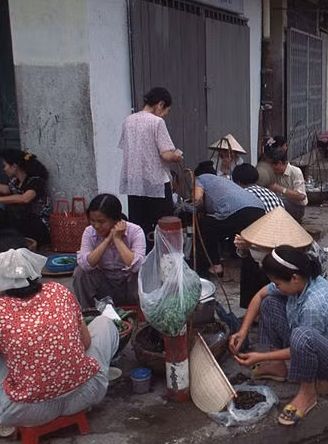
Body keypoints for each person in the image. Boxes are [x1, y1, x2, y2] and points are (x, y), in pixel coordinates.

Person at [0, 234, 118, 435]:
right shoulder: (59, 291)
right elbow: (86, 342)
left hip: (25, 412)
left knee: (1, 349)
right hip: (85, 395)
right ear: (29, 262)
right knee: (104, 322)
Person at [228, 245, 328, 426]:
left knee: (302, 335)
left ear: (294, 278)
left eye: (278, 283)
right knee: (269, 303)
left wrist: (260, 356)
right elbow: (259, 296)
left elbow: (300, 346)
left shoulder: (315, 303)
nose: (276, 286)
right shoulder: (299, 281)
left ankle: (308, 392)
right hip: (310, 342)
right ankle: (277, 367)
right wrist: (242, 331)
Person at [118, 87, 183, 238]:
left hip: (134, 181)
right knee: (163, 226)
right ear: (160, 104)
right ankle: (161, 259)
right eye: (166, 110)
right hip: (155, 182)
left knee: (138, 226)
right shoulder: (156, 122)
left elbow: (126, 148)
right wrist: (177, 157)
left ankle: (141, 257)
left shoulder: (128, 120)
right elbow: (166, 155)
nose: (165, 114)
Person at [232, 207, 327, 308]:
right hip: (286, 277)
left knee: (269, 299)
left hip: (301, 286)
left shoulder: (301, 254)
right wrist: (246, 247)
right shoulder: (277, 249)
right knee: (250, 264)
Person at [193, 162, 267, 277]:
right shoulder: (223, 181)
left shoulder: (201, 179)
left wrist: (195, 208)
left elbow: (197, 200)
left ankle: (215, 266)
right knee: (232, 228)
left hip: (238, 211)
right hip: (259, 208)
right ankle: (239, 256)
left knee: (205, 225)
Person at [73, 193, 145, 309]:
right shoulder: (89, 232)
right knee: (80, 273)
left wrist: (117, 239)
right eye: (92, 220)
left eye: (101, 222)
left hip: (129, 284)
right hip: (105, 284)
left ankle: (141, 314)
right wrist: (107, 240)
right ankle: (89, 313)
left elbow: (136, 265)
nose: (96, 226)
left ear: (116, 220)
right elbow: (86, 265)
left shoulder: (135, 231)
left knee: (141, 274)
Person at [0, 149, 53, 245]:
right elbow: (6, 189)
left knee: (15, 218)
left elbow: (25, 198)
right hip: (23, 223)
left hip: (38, 227)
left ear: (14, 166)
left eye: (5, 165)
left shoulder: (36, 181)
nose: (4, 169)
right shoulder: (16, 181)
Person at [264, 148, 308, 223]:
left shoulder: (295, 172)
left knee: (278, 202)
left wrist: (279, 189)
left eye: (272, 166)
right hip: (282, 203)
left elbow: (301, 196)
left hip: (297, 208)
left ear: (279, 163)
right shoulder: (275, 173)